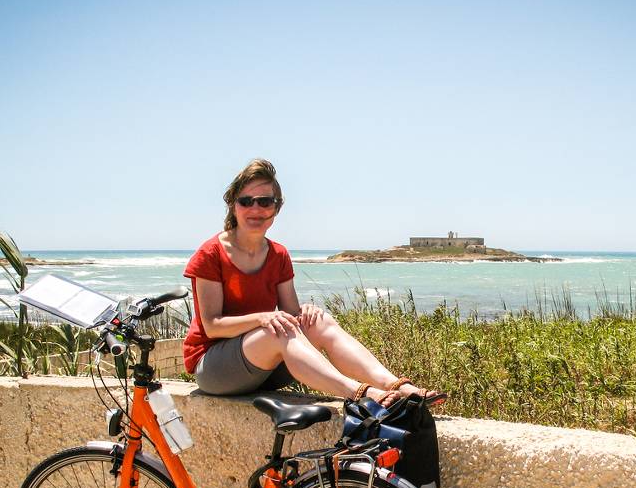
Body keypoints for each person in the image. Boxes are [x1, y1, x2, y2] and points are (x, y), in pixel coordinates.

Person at [183, 158, 445, 407]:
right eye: (246, 201)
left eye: (264, 202)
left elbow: (290, 314)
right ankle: (357, 392)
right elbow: (213, 326)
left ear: (276, 208)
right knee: (279, 330)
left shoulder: (278, 254)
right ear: (233, 205)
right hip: (215, 368)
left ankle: (394, 385)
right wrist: (262, 318)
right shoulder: (211, 253)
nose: (256, 209)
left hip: (265, 368)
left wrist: (304, 313)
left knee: (319, 321)